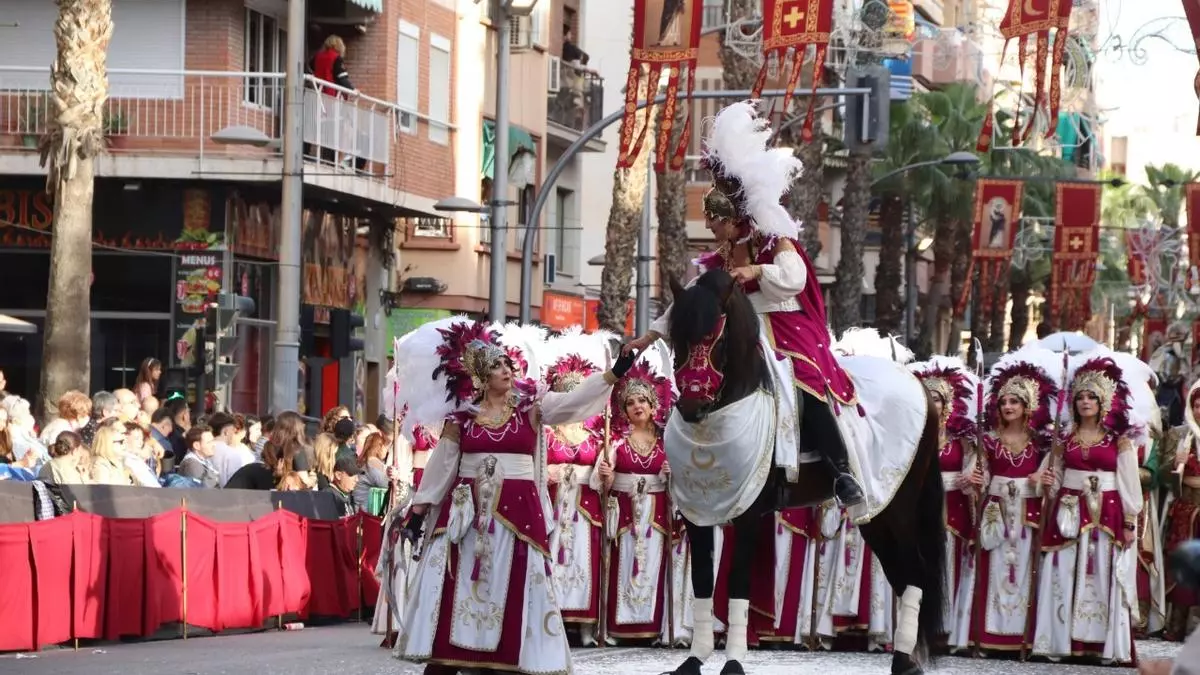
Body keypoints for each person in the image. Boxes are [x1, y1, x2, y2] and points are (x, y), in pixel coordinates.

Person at [625, 100, 864, 507]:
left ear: (734, 217)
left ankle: (840, 470)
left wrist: (755, 271)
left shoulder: (774, 240)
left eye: (714, 220)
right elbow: (693, 300)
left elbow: (794, 278)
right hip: (743, 328)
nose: (709, 227)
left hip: (785, 325)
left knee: (803, 380)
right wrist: (648, 337)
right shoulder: (719, 258)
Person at [394, 320, 634, 674]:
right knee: (458, 587)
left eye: (508, 363)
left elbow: (574, 402)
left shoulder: (531, 408)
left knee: (513, 590)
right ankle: (450, 658)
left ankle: (505, 660)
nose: (506, 370)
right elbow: (442, 465)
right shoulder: (462, 418)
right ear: (480, 377)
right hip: (468, 518)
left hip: (518, 519)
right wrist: (418, 510)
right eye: (496, 365)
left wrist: (614, 374)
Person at [1031, 354, 1143, 664]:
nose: (1085, 402)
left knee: (1103, 574)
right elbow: (1052, 477)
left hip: (1108, 515)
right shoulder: (1064, 438)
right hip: (1068, 513)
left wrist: (1130, 521)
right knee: (1062, 572)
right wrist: (1047, 480)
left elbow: (1129, 482)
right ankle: (1061, 643)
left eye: (1091, 396)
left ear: (1103, 402)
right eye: (1080, 397)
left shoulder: (1119, 440)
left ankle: (1102, 647)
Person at [950, 349, 1057, 654]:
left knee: (1024, 572)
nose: (1008, 406)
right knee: (991, 569)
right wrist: (974, 479)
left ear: (1027, 406)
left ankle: (1022, 639)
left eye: (1015, 402)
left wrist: (1043, 480)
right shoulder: (988, 440)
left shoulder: (1041, 442)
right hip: (995, 513)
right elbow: (979, 473)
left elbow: (1050, 477)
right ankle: (985, 637)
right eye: (1004, 402)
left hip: (1027, 515)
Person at [591, 358, 678, 645]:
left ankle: (652, 628)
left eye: (642, 400)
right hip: (626, 514)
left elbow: (680, 485)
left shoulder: (668, 440)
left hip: (657, 515)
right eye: (630, 403)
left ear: (653, 406)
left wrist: (671, 475)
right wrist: (606, 476)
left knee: (653, 566)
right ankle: (619, 628)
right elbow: (599, 484)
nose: (637, 406)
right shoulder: (615, 441)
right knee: (624, 564)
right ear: (624, 410)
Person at [909, 356, 978, 645]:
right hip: (919, 511)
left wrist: (972, 480)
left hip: (954, 514)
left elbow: (975, 472)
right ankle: (912, 628)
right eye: (926, 396)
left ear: (946, 404)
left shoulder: (962, 441)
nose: (931, 402)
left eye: (936, 398)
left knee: (950, 568)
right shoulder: (910, 436)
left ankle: (945, 629)